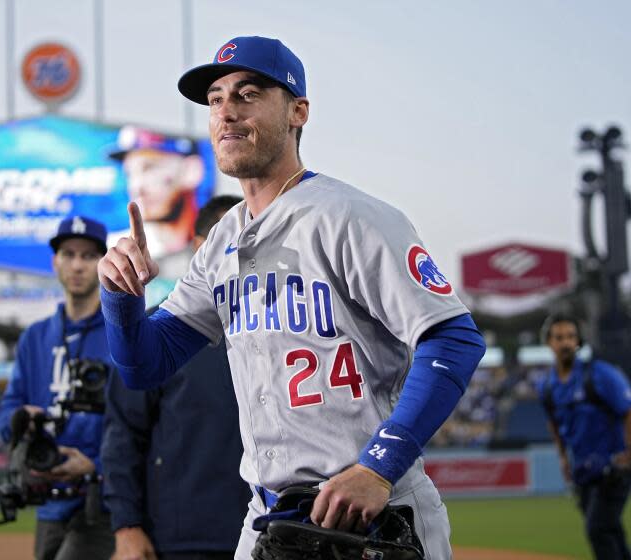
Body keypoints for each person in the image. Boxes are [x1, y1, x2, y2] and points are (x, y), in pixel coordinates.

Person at [97, 35, 486, 559]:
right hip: (267, 515)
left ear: (298, 111)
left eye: (248, 94)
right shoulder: (220, 242)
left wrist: (378, 466)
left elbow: (454, 338)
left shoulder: (350, 217)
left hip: (371, 509)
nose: (226, 112)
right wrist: (120, 297)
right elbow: (146, 365)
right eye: (215, 99)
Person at [102, 195, 251, 560]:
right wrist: (127, 526)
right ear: (200, 247)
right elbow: (123, 434)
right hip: (182, 538)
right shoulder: (159, 330)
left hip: (273, 533)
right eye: (228, 239)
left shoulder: (288, 326)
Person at [0, 215, 115, 560]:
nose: (77, 265)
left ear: (103, 263)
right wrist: (20, 419)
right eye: (69, 254)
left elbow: (141, 420)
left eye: (89, 256)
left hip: (102, 499)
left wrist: (95, 464)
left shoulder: (121, 333)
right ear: (55, 261)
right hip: (48, 501)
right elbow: (7, 413)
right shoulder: (34, 337)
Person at [540, 312, 631, 560]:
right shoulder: (547, 386)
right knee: (610, 530)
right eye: (559, 337)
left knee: (598, 529)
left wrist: (629, 454)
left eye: (571, 336)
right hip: (584, 471)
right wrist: (563, 458)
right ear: (549, 342)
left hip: (613, 468)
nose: (566, 342)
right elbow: (554, 423)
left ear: (578, 341)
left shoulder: (600, 374)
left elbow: (628, 410)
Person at [108, 125, 208, 279]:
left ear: (191, 171)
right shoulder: (115, 253)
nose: (136, 187)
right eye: (129, 173)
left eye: (148, 168)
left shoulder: (219, 244)